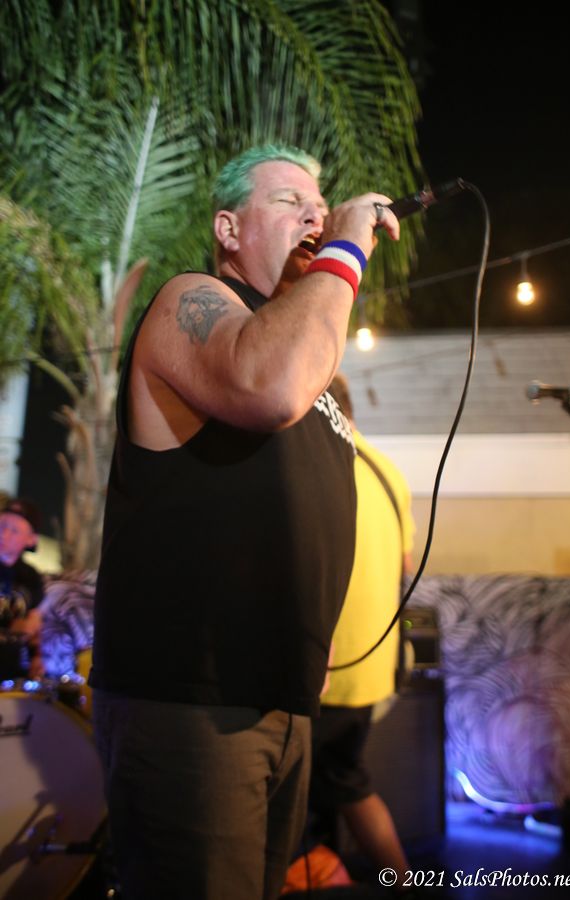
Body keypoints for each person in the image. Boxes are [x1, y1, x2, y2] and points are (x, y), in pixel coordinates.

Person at [89, 143, 400, 900]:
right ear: (228, 229)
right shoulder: (189, 302)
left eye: (321, 207)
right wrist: (347, 246)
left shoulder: (309, 359)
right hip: (193, 700)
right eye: (291, 202)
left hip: (283, 699)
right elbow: (269, 386)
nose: (316, 216)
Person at [310, 373, 416, 892]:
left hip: (329, 670)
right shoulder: (387, 469)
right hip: (376, 669)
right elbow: (406, 562)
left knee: (292, 795)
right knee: (344, 781)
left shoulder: (317, 462)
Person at [0, 496, 45, 678]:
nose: (3, 535)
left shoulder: (31, 577)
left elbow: (34, 622)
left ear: (31, 540)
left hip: (13, 672)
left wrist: (37, 657)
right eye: (2, 526)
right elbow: (19, 626)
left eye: (14, 530)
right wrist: (12, 626)